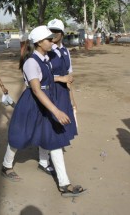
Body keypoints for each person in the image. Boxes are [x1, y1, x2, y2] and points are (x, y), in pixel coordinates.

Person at [1, 25, 85, 197]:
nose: (52, 41)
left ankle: (64, 184)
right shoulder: (31, 62)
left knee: (55, 140)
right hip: (32, 104)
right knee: (20, 136)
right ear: (39, 42)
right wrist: (57, 111)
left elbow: (47, 79)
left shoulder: (45, 59)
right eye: (48, 39)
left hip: (46, 102)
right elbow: (37, 89)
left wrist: (61, 80)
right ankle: (6, 165)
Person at [42, 19, 78, 174]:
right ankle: (43, 160)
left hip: (63, 92)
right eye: (50, 31)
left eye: (56, 31)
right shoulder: (46, 51)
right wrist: (60, 78)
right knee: (50, 124)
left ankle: (47, 156)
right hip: (50, 91)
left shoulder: (65, 51)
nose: (53, 34)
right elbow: (41, 75)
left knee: (60, 124)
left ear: (62, 34)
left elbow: (69, 74)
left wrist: (72, 99)